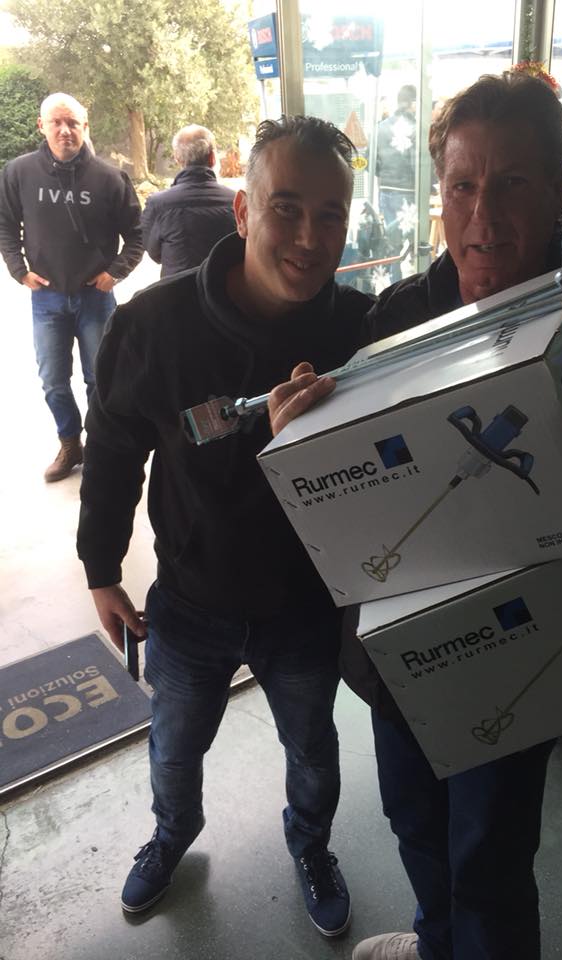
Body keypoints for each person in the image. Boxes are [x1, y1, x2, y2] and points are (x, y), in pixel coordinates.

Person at [269, 74, 562, 960]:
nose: (483, 216)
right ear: (441, 195)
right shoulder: (392, 322)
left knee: (489, 857)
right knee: (414, 822)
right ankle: (434, 943)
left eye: (512, 184)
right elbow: (338, 485)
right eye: (462, 186)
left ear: (556, 189)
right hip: (397, 656)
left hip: (519, 649)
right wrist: (301, 433)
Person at [76, 116, 373, 932]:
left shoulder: (360, 331)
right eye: (287, 209)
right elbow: (112, 451)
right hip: (190, 600)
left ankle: (310, 845)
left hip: (305, 604)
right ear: (243, 210)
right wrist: (101, 568)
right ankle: (173, 833)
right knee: (173, 750)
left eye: (331, 215)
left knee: (313, 751)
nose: (309, 238)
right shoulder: (152, 327)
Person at [0, 92, 142, 482]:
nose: (65, 130)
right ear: (41, 126)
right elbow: (6, 225)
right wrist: (19, 270)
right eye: (56, 122)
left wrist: (115, 272)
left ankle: (99, 443)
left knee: (100, 379)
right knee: (53, 382)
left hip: (95, 299)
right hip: (46, 300)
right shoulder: (19, 173)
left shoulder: (109, 178)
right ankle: (69, 442)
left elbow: (137, 235)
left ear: (85, 127)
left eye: (73, 123)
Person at [141, 124, 236, 277]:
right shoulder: (235, 201)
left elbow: (154, 252)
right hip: (224, 287)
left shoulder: (157, 204)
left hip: (176, 288)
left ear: (177, 158)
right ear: (212, 158)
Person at [376, 84, 417, 280]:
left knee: (393, 244)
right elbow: (417, 162)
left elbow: (372, 162)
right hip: (408, 190)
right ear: (413, 103)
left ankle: (395, 282)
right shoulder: (415, 128)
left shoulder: (381, 127)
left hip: (385, 189)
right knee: (415, 240)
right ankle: (421, 282)